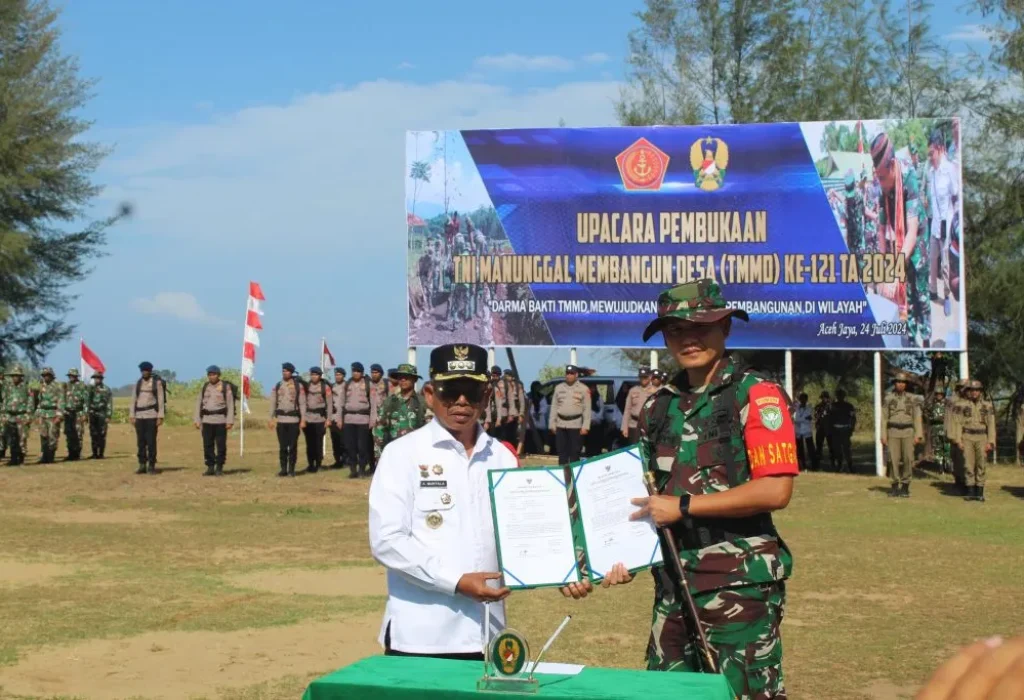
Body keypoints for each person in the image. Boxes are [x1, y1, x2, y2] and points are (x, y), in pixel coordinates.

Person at [603, 279, 797, 700]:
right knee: (667, 694)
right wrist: (614, 556)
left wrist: (685, 507)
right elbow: (642, 496)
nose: (688, 339)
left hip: (739, 587)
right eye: (675, 330)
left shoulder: (756, 394)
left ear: (725, 327)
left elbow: (776, 490)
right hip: (673, 586)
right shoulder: (657, 406)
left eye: (701, 327)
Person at [368, 343, 588, 660]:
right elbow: (387, 541)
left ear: (486, 397)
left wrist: (562, 570)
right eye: (449, 391)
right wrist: (455, 582)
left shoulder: (502, 457)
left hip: (488, 634)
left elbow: (522, 533)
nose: (461, 401)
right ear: (429, 394)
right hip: (421, 636)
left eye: (471, 392)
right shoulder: (402, 454)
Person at [872, 132, 931, 348]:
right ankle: (911, 344)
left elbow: (912, 232)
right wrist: (883, 272)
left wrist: (894, 272)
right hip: (899, 246)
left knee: (920, 297)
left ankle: (927, 343)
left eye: (882, 178)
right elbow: (881, 232)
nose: (880, 183)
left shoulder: (908, 176)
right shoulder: (882, 188)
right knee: (904, 300)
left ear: (892, 166)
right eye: (877, 178)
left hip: (917, 244)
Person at [927, 129, 959, 318]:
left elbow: (955, 195)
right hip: (934, 225)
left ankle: (946, 296)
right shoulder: (931, 172)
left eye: (932, 153)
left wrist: (953, 224)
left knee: (945, 265)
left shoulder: (949, 169)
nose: (930, 157)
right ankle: (932, 290)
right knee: (932, 259)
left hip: (946, 226)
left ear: (939, 149)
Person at [951, 379, 995, 503]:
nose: (974, 392)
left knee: (981, 464)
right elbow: (958, 423)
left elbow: (991, 424)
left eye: (977, 390)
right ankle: (970, 490)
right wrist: (958, 440)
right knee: (968, 464)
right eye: (972, 390)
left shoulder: (987, 406)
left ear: (980, 392)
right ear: (968, 392)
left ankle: (979, 491)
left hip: (982, 437)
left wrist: (991, 441)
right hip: (967, 437)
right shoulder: (961, 405)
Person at [373, 364, 427, 463]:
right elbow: (379, 428)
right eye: (400, 377)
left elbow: (430, 429)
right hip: (394, 453)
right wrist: (379, 455)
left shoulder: (422, 402)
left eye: (406, 377)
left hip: (416, 454)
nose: (403, 380)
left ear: (414, 379)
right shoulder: (389, 402)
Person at [882, 372, 923, 497]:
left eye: (903, 382)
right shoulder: (888, 398)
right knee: (893, 459)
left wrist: (918, 434)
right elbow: (884, 418)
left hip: (908, 432)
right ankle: (894, 486)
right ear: (894, 383)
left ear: (906, 384)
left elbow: (917, 417)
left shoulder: (912, 398)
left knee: (908, 459)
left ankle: (905, 486)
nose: (900, 384)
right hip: (893, 431)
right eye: (898, 382)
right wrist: (883, 435)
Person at [193, 365, 234, 476]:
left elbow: (230, 404)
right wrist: (197, 419)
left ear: (218, 375)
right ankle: (210, 467)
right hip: (207, 420)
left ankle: (219, 467)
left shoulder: (225, 387)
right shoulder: (205, 386)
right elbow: (198, 403)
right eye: (210, 375)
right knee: (207, 445)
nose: (212, 377)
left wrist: (229, 421)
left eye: (214, 374)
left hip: (220, 420)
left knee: (221, 445)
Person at [340, 361, 378, 478]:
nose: (355, 373)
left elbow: (373, 404)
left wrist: (372, 420)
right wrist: (339, 419)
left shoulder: (368, 384)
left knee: (362, 447)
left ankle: (361, 469)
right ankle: (353, 470)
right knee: (350, 447)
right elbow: (341, 403)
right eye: (354, 371)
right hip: (349, 419)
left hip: (363, 419)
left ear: (362, 373)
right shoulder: (347, 384)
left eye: (358, 371)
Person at [269, 362, 307, 477]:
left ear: (291, 372)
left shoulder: (298, 386)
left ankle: (291, 470)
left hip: (293, 420)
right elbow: (273, 402)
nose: (285, 373)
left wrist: (303, 419)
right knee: (282, 447)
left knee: (293, 447)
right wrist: (270, 418)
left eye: (287, 371)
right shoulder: (278, 385)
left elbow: (302, 403)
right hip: (281, 420)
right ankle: (283, 469)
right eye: (283, 371)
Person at [548, 365, 591, 465]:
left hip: (575, 424)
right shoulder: (559, 388)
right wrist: (552, 424)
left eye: (571, 374)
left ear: (576, 375)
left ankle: (573, 473)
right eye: (567, 373)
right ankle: (563, 473)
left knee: (574, 453)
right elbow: (554, 406)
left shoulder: (583, 389)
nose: (569, 376)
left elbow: (587, 409)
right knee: (561, 453)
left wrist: (585, 426)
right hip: (561, 424)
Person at [129, 362, 165, 474]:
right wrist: (132, 415)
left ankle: (151, 465)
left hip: (151, 415)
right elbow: (133, 399)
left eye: (146, 370)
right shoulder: (138, 383)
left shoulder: (156, 383)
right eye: (143, 370)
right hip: (139, 416)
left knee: (151, 442)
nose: (144, 372)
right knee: (140, 442)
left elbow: (160, 400)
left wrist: (160, 416)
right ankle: (142, 464)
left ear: (150, 371)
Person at [2, 365, 33, 466]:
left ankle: (21, 458)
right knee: (12, 438)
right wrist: (4, 414)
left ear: (21, 376)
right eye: (13, 375)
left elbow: (31, 402)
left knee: (22, 438)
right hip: (10, 416)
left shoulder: (26, 387)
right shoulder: (8, 387)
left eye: (17, 375)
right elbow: (5, 400)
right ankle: (13, 458)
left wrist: (28, 415)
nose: (15, 377)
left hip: (22, 416)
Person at [303, 367, 333, 473]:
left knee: (318, 443)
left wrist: (329, 419)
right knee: (309, 443)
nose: (314, 376)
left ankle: (318, 464)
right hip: (308, 419)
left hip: (320, 419)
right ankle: (311, 464)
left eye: (316, 375)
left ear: (320, 376)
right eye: (312, 374)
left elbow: (329, 404)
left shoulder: (325, 387)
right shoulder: (306, 386)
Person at [34, 367, 65, 464]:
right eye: (44, 375)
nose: (45, 377)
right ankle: (44, 456)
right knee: (43, 435)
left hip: (53, 413)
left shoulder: (57, 386)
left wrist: (59, 415)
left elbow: (61, 401)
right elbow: (39, 401)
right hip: (43, 413)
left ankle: (51, 457)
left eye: (47, 375)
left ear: (51, 376)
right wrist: (37, 414)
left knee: (53, 435)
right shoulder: (42, 386)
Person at [621, 368, 655, 445]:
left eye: (645, 377)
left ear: (650, 377)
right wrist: (624, 427)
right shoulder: (633, 390)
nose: (643, 379)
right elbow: (627, 410)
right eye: (641, 377)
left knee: (648, 448)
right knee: (634, 447)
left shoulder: (655, 391)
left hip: (648, 425)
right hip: (634, 425)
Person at [63, 368, 90, 461]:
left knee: (78, 434)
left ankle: (77, 453)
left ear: (76, 376)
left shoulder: (82, 386)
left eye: (73, 375)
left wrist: (85, 414)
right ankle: (70, 454)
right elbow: (62, 399)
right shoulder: (66, 386)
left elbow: (86, 401)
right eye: (70, 375)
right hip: (68, 413)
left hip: (78, 413)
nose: (71, 377)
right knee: (69, 433)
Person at [87, 371, 113, 459]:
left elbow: (109, 403)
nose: (97, 379)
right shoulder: (90, 388)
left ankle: (101, 454)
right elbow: (87, 401)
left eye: (98, 378)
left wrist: (108, 416)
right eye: (95, 378)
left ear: (101, 379)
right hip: (92, 413)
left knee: (102, 434)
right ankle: (94, 453)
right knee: (93, 433)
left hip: (102, 413)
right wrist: (86, 413)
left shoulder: (106, 389)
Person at [830, 389, 856, 473]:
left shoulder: (849, 406)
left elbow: (853, 418)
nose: (840, 397)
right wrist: (831, 429)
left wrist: (851, 429)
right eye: (838, 395)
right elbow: (829, 419)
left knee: (846, 449)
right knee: (837, 449)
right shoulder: (833, 406)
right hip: (836, 430)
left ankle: (850, 466)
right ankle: (839, 465)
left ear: (844, 396)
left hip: (845, 429)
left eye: (841, 395)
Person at [925, 385, 948, 473]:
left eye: (940, 394)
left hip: (946, 429)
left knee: (947, 448)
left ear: (943, 395)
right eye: (937, 394)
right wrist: (934, 418)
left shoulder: (947, 405)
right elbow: (926, 415)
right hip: (935, 429)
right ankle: (940, 467)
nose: (939, 395)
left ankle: (948, 466)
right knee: (937, 448)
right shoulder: (932, 405)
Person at [502, 369, 526, 449]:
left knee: (512, 434)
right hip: (504, 413)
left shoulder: (517, 386)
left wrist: (521, 414)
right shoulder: (502, 385)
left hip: (514, 413)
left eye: (507, 376)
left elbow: (522, 401)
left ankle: (512, 450)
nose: (505, 377)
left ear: (512, 377)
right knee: (503, 434)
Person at [483, 366, 507, 439]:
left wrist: (498, 419)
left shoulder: (498, 386)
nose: (494, 377)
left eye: (495, 375)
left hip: (499, 415)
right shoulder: (489, 385)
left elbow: (499, 403)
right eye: (493, 375)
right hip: (487, 416)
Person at [330, 367, 347, 468]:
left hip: (344, 418)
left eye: (339, 375)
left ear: (343, 376)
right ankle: (337, 461)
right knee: (335, 441)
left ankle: (346, 460)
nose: (337, 376)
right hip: (333, 417)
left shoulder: (347, 386)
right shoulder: (332, 386)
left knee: (344, 441)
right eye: (336, 375)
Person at [793, 392, 814, 471]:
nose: (802, 400)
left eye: (804, 399)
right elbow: (795, 419)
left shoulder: (809, 408)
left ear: (806, 399)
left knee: (810, 449)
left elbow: (809, 419)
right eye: (801, 399)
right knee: (800, 450)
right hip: (798, 432)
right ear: (799, 399)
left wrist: (799, 420)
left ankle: (813, 465)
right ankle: (802, 465)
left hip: (807, 431)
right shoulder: (796, 408)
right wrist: (804, 419)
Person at [813, 391, 834, 470]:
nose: (824, 399)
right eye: (823, 397)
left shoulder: (831, 406)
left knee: (831, 447)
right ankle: (817, 465)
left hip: (829, 429)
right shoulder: (818, 407)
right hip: (820, 429)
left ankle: (833, 464)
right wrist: (820, 415)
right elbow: (816, 416)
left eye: (826, 397)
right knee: (819, 447)